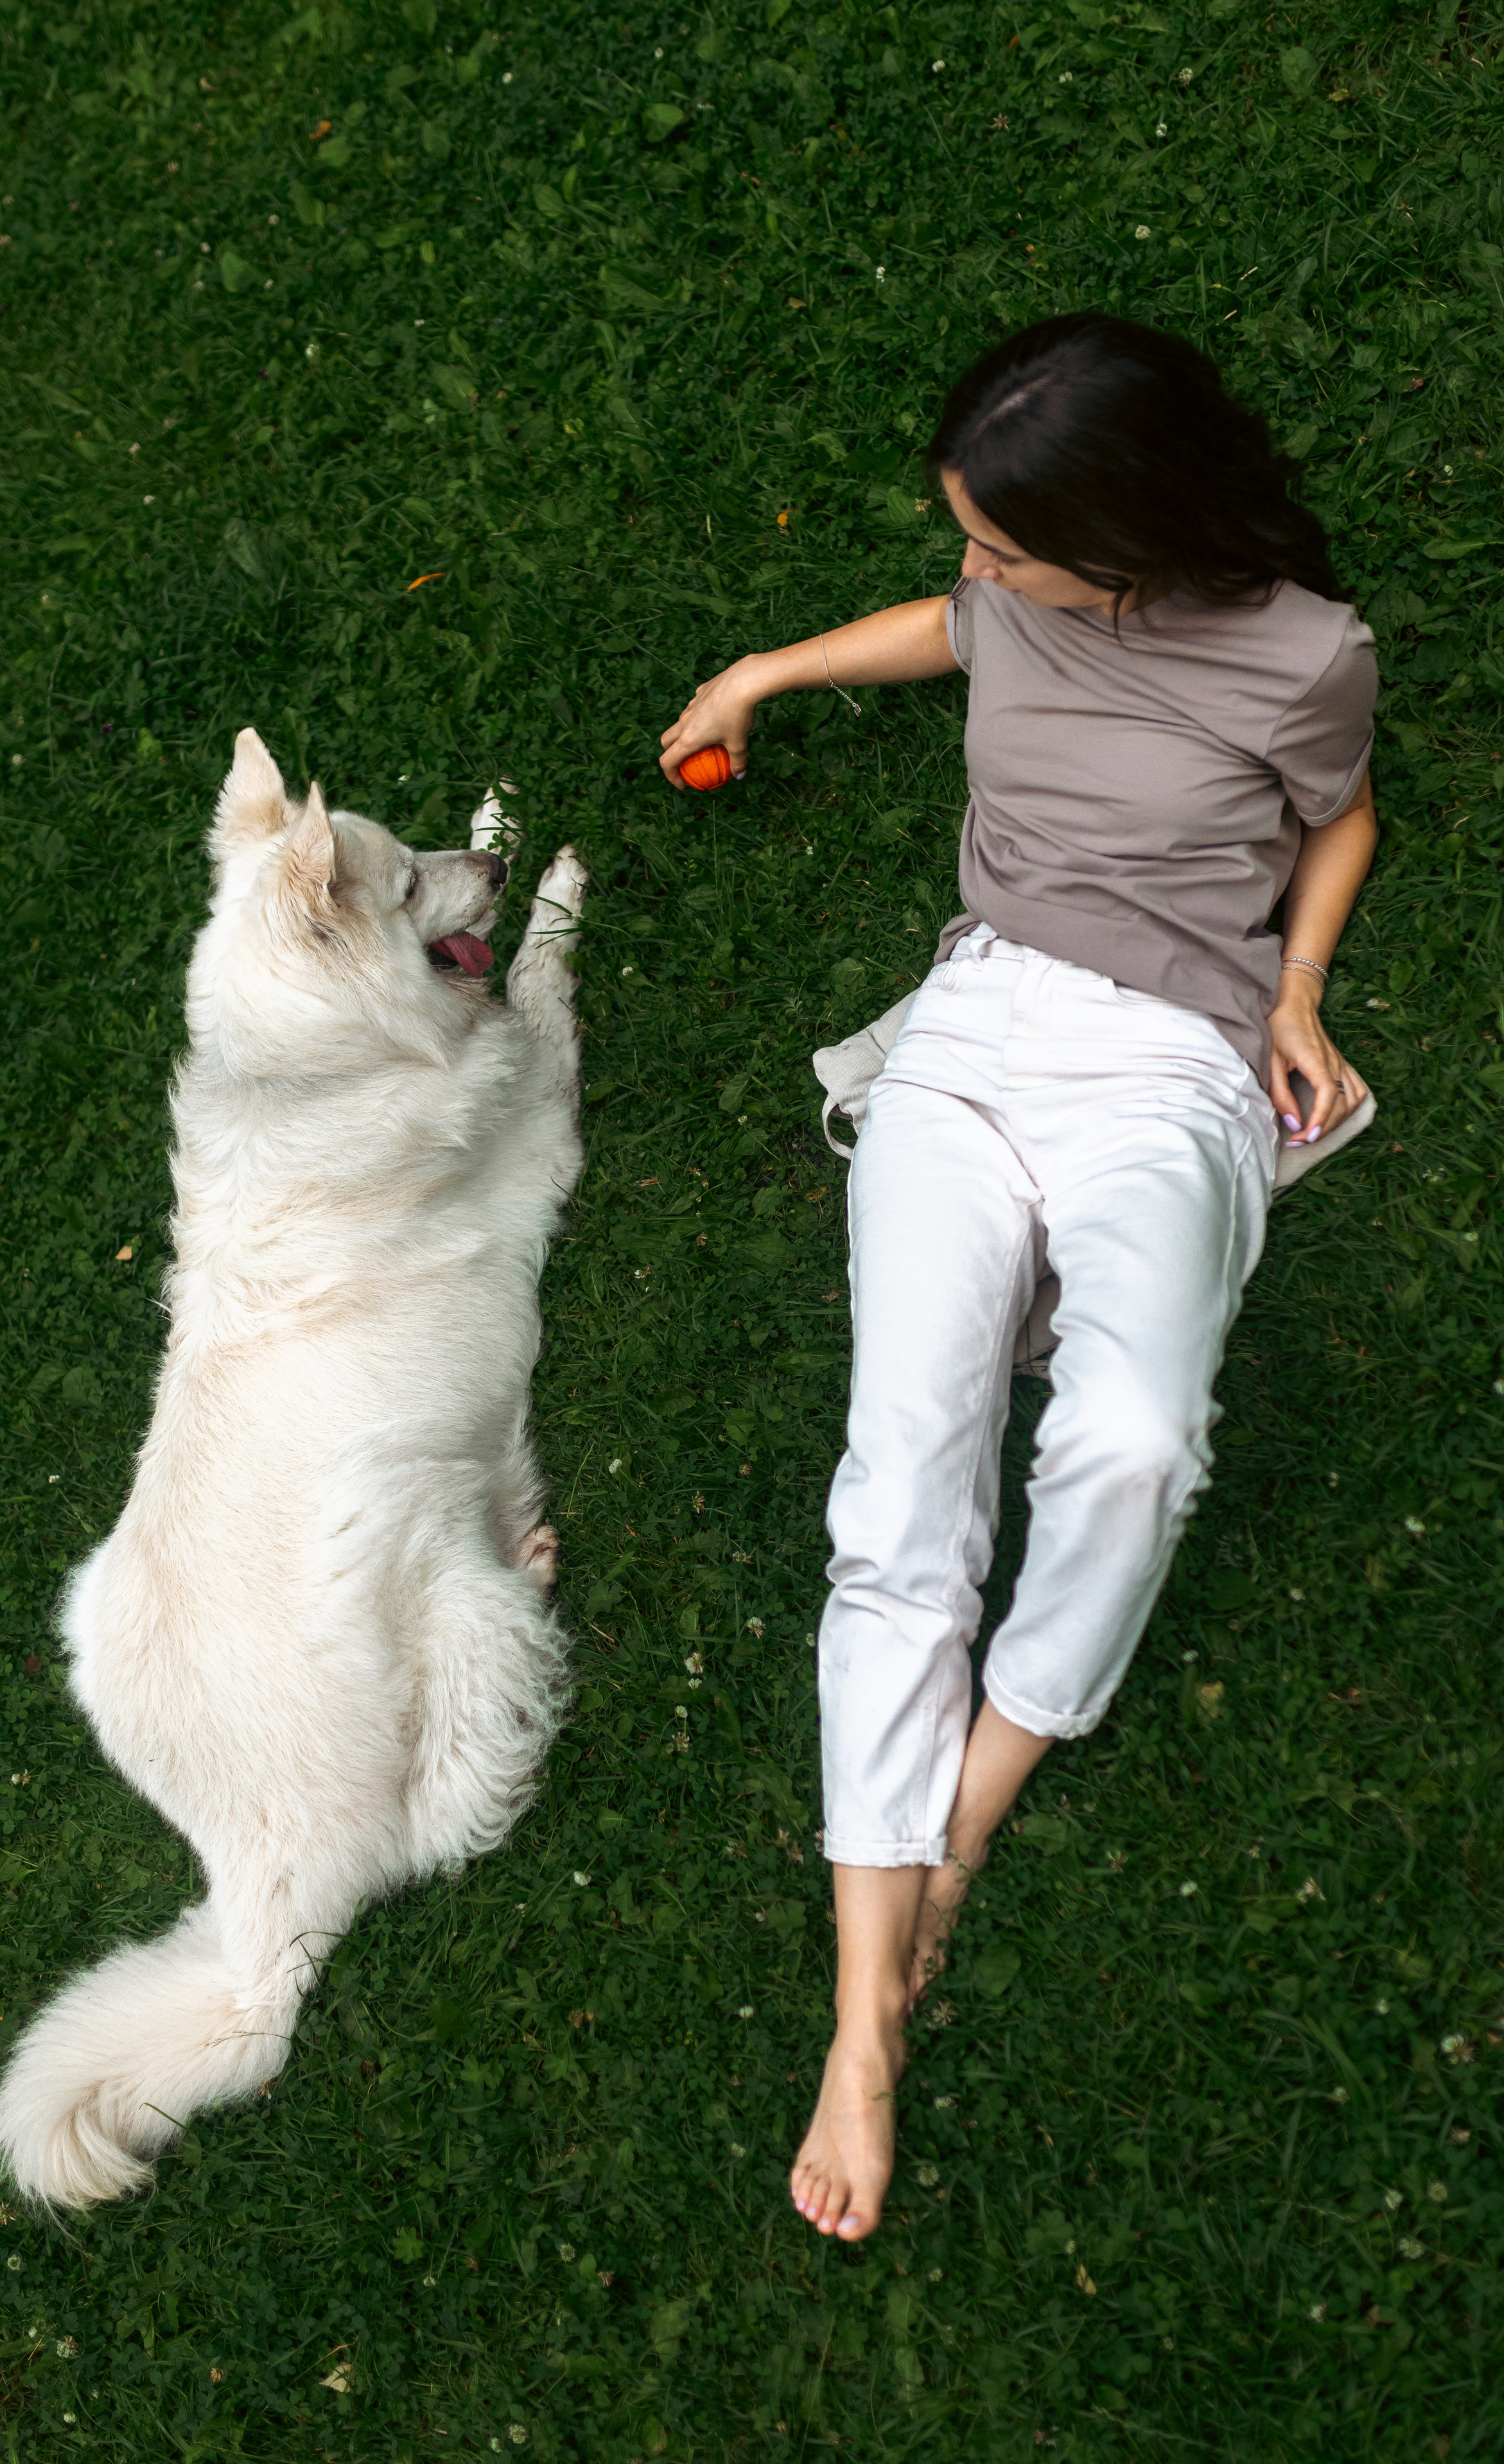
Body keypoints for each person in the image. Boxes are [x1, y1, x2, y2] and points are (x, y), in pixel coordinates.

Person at [658, 313, 1378, 2242]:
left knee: (1136, 1442)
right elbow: (945, 629)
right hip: (978, 1043)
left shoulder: (1306, 654)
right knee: (903, 1482)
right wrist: (767, 671)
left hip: (1172, 1065)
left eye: (1004, 545)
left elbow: (1338, 813)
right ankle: (859, 2032)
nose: (974, 577)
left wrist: (1296, 989)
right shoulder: (1016, 595)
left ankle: (957, 1820)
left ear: (1130, 533)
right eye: (967, 539)